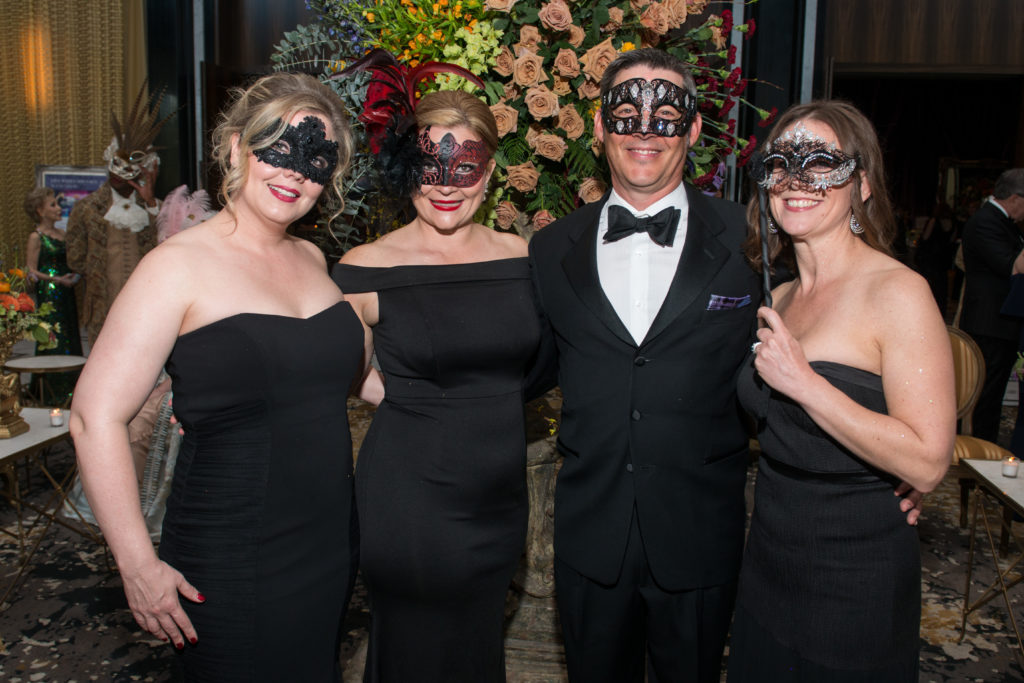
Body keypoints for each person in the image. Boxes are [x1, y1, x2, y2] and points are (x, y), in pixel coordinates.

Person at [70, 72, 368, 681]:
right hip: (231, 553)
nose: (295, 171)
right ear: (235, 146)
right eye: (278, 147)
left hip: (328, 545)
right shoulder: (176, 266)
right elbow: (93, 416)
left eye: (317, 158)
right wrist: (135, 564)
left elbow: (346, 377)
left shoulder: (312, 259)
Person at [527, 48, 761, 682]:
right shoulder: (550, 249)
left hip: (698, 531)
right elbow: (528, 366)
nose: (644, 133)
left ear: (691, 130)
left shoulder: (749, 242)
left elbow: (801, 350)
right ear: (599, 128)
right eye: (626, 115)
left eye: (666, 118)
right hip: (590, 531)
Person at [728, 101, 955, 681]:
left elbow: (928, 462)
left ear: (864, 186)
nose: (797, 181)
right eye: (781, 164)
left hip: (854, 569)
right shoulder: (777, 298)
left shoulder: (899, 293)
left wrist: (806, 385)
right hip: (770, 555)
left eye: (821, 162)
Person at [333, 89, 540, 682]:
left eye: (465, 168)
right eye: (430, 168)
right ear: (407, 168)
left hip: (498, 495)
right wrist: (404, 398)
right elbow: (334, 367)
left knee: (477, 647)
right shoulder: (368, 265)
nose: (447, 185)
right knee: (415, 652)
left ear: (491, 170)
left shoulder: (522, 258)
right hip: (410, 494)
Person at [65, 86, 167, 345]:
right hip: (103, 307)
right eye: (115, 170)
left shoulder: (156, 208)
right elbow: (75, 259)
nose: (118, 177)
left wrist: (151, 204)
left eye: (126, 172)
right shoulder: (86, 208)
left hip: (147, 306)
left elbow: (168, 250)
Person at [960, 168, 1024, 443]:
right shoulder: (986, 221)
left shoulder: (1003, 222)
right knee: (983, 394)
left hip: (1001, 324)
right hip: (989, 325)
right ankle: (977, 449)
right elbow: (1013, 266)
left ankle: (985, 445)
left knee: (993, 393)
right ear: (1016, 197)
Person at [24, 186, 83, 402]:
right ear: (40, 211)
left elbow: (72, 262)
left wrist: (74, 275)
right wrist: (54, 280)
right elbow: (30, 270)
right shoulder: (35, 237)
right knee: (51, 338)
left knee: (70, 337)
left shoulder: (63, 234)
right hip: (49, 296)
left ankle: (71, 390)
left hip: (66, 293)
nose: (58, 208)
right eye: (53, 205)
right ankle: (51, 393)